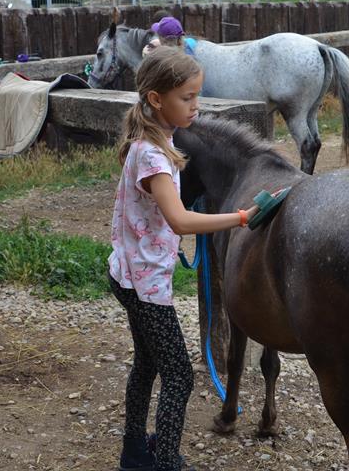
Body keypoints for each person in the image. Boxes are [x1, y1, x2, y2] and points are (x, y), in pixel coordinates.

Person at [108, 46, 260, 471]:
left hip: (127, 273)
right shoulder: (155, 155)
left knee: (146, 364)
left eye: (197, 95)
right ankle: (167, 460)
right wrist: (240, 217)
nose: (197, 105)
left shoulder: (151, 140)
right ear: (157, 100)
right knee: (179, 374)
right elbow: (178, 220)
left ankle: (135, 451)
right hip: (145, 284)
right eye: (188, 97)